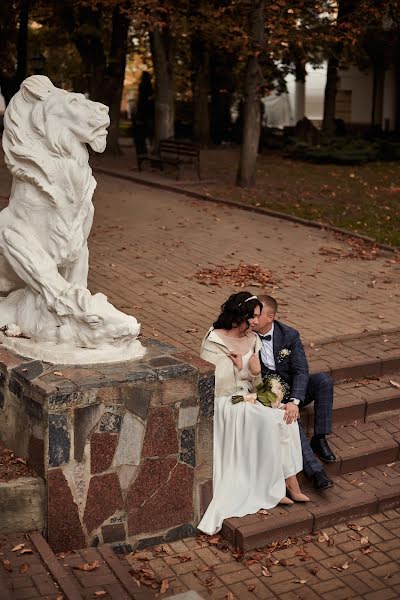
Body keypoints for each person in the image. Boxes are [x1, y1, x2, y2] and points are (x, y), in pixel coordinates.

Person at [197, 291, 307, 536]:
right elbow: (217, 386)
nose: (256, 322)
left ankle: (288, 485)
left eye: (258, 317)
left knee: (284, 418)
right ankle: (272, 487)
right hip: (226, 403)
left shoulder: (253, 340)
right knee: (270, 421)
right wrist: (242, 371)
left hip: (247, 398)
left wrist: (255, 375)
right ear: (241, 316)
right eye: (253, 317)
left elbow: (254, 384)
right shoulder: (214, 340)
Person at [254, 294, 335, 490]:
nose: (253, 320)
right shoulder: (247, 335)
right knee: (290, 418)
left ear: (270, 317)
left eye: (258, 315)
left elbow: (301, 370)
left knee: (323, 380)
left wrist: (295, 400)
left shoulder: (289, 335)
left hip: (291, 390)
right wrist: (281, 402)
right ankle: (315, 471)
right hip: (267, 395)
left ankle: (319, 438)